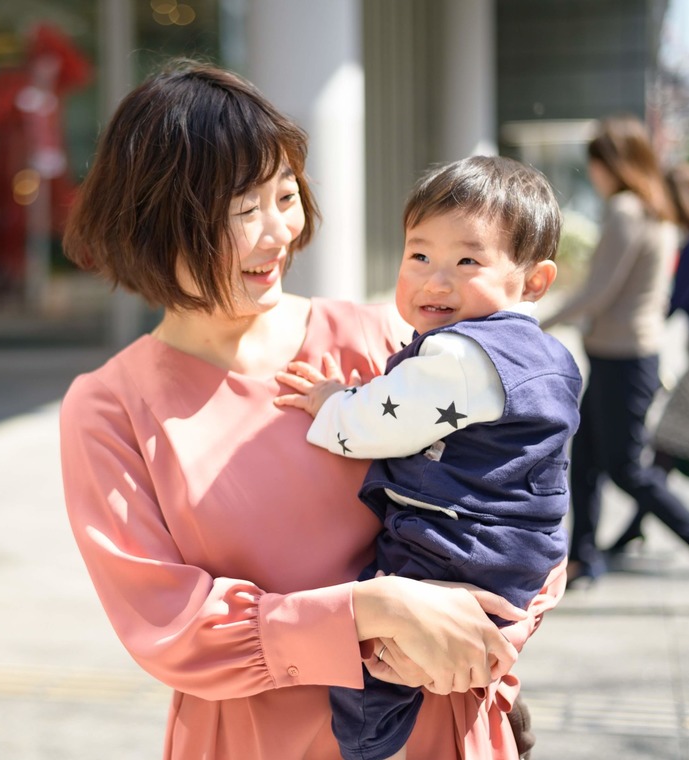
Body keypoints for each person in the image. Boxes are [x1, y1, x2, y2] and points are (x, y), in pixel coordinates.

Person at [59, 59, 564, 760]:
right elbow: (168, 626)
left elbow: (527, 497)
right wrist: (370, 611)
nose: (279, 234)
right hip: (255, 740)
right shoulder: (110, 409)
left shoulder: (384, 341)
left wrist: (489, 639)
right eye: (243, 211)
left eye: (285, 196)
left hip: (440, 725)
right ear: (156, 224)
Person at [274, 156, 580, 760]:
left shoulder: (462, 358)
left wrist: (332, 401)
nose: (435, 281)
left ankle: (366, 742)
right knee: (451, 644)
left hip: (453, 544)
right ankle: (491, 694)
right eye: (419, 257)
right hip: (512, 550)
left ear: (534, 281)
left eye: (467, 261)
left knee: (381, 659)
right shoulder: (543, 355)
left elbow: (379, 421)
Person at [539, 115, 689, 602]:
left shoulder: (626, 210)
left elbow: (599, 290)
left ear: (613, 163)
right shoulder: (656, 209)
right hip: (626, 356)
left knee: (627, 470)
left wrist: (539, 321)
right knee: (583, 461)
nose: (594, 175)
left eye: (596, 164)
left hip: (622, 358)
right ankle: (583, 557)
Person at [606, 161, 689, 603]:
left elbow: (675, 302)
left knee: (662, 451)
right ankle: (632, 531)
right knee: (662, 450)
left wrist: (630, 318)